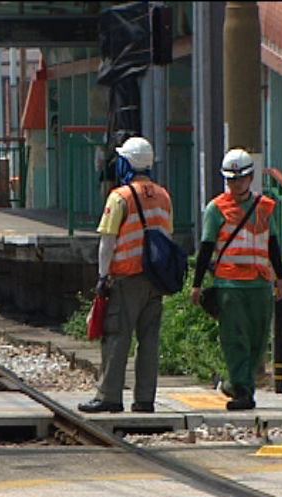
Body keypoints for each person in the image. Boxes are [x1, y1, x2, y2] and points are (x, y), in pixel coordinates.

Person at [78, 136, 173, 414]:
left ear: (125, 163)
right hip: (155, 280)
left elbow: (107, 242)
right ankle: (145, 399)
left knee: (117, 336)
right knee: (149, 340)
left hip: (126, 278)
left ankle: (109, 396)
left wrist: (102, 277)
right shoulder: (164, 196)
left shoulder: (120, 197)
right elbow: (166, 236)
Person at [190, 148, 282, 410]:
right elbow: (206, 249)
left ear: (251, 177)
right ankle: (243, 390)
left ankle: (239, 384)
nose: (236, 184)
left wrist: (280, 278)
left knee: (257, 339)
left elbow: (273, 244)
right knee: (235, 338)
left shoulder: (265, 207)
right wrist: (197, 285)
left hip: (259, 282)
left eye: (241, 178)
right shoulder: (216, 208)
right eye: (231, 179)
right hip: (229, 284)